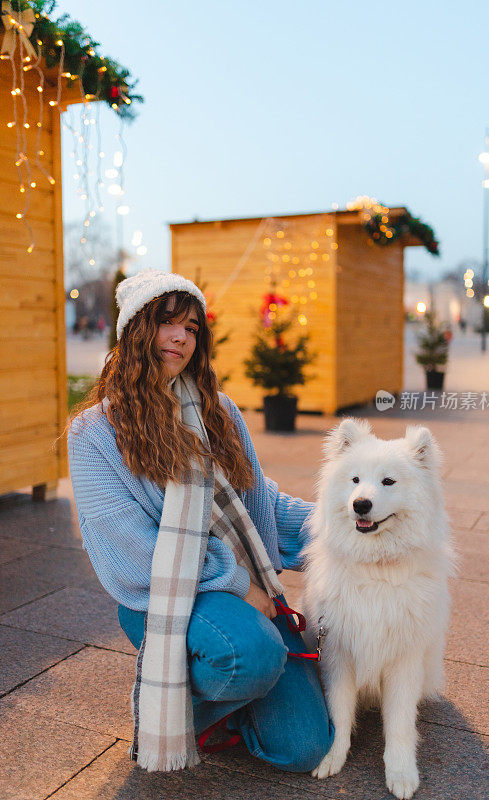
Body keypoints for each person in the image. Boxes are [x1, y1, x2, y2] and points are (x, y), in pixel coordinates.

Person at [67, 269, 333, 774]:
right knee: (252, 655)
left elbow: (263, 505)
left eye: (191, 328)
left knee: (304, 747)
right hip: (161, 595)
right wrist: (238, 584)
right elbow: (133, 555)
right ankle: (195, 692)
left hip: (239, 589)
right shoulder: (94, 434)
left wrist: (342, 524)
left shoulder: (219, 411)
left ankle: (220, 707)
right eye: (167, 323)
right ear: (134, 331)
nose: (180, 338)